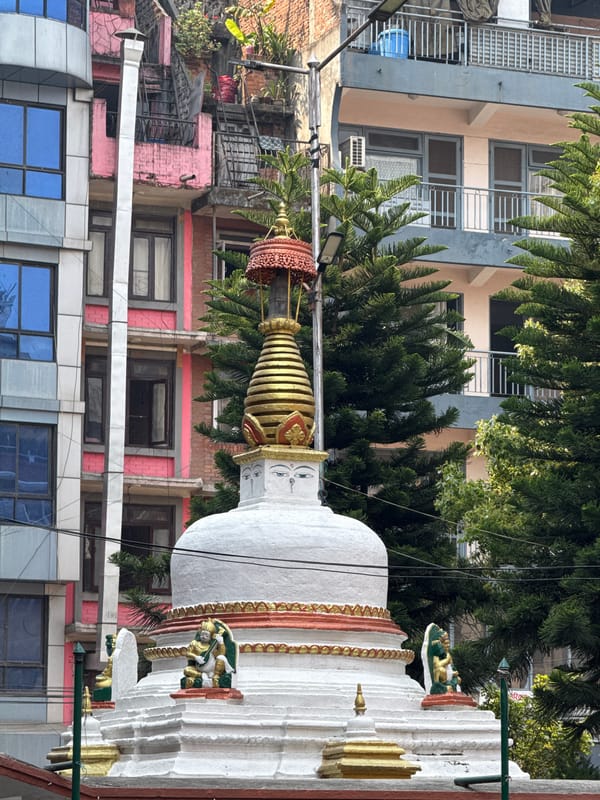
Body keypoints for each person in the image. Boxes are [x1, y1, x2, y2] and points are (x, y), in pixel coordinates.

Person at [181, 619, 236, 689]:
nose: (204, 637)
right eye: (202, 634)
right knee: (187, 670)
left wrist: (221, 643)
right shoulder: (194, 643)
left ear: (210, 637)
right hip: (199, 668)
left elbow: (221, 654)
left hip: (212, 669)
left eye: (206, 635)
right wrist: (196, 657)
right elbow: (188, 653)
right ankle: (201, 675)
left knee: (221, 658)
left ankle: (216, 676)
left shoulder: (211, 647)